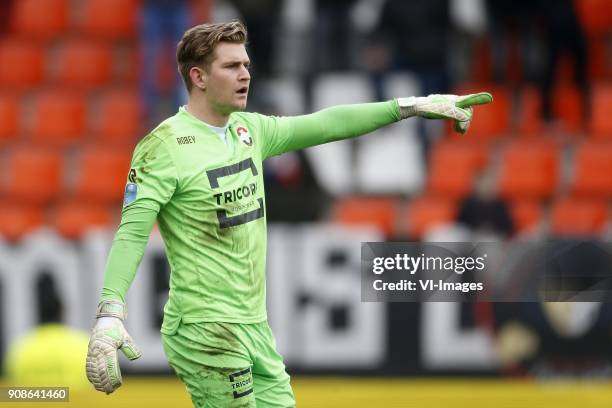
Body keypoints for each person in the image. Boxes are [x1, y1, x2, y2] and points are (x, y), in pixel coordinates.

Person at [85, 20, 492, 407]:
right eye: (231, 66)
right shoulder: (164, 147)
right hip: (206, 330)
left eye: (246, 64)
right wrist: (109, 314)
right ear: (199, 77)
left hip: (254, 327)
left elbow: (327, 124)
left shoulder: (248, 130)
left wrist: (412, 106)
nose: (245, 74)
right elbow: (132, 232)